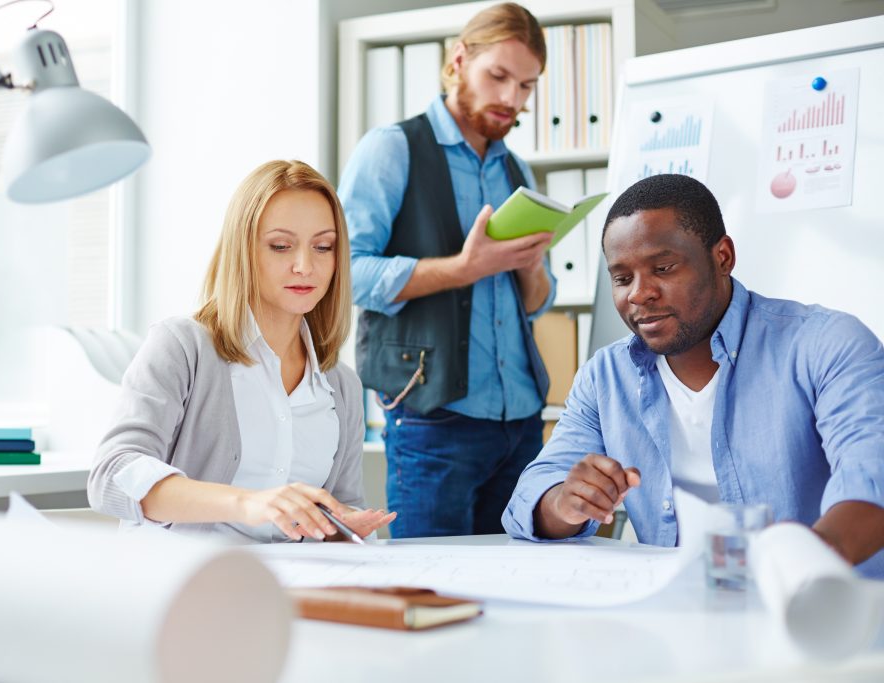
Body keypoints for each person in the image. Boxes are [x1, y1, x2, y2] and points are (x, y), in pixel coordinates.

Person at [503, 173, 884, 576]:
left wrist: (797, 567)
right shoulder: (605, 376)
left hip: (822, 613)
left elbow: (871, 475)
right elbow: (529, 500)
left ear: (722, 257)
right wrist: (565, 502)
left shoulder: (825, 344)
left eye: (663, 267)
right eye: (621, 278)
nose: (638, 293)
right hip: (679, 616)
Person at [338, 3, 558, 538]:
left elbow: (537, 303)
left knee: (515, 594)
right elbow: (345, 272)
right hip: (434, 422)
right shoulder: (392, 149)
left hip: (521, 424)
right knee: (433, 592)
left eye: (526, 86)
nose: (511, 99)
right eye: (498, 76)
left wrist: (530, 267)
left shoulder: (516, 169)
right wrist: (463, 268)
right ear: (459, 60)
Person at [88, 160, 396, 542]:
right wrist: (248, 503)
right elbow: (112, 475)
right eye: (281, 246)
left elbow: (341, 507)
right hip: (184, 587)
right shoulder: (182, 347)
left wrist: (346, 525)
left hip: (289, 590)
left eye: (323, 247)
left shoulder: (341, 385)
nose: (305, 266)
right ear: (243, 250)